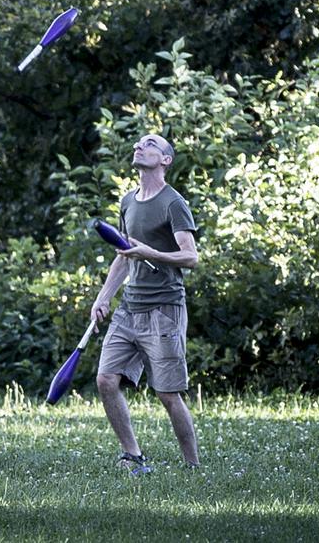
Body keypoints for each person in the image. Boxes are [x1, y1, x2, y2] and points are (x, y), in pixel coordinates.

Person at [90, 132, 200, 475]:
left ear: (165, 159)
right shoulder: (128, 201)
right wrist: (103, 297)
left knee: (167, 394)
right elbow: (124, 257)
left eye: (150, 143)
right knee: (106, 380)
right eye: (138, 143)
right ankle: (133, 456)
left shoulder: (173, 202)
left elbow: (190, 257)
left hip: (164, 309)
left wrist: (148, 253)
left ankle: (192, 466)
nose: (140, 146)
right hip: (130, 307)